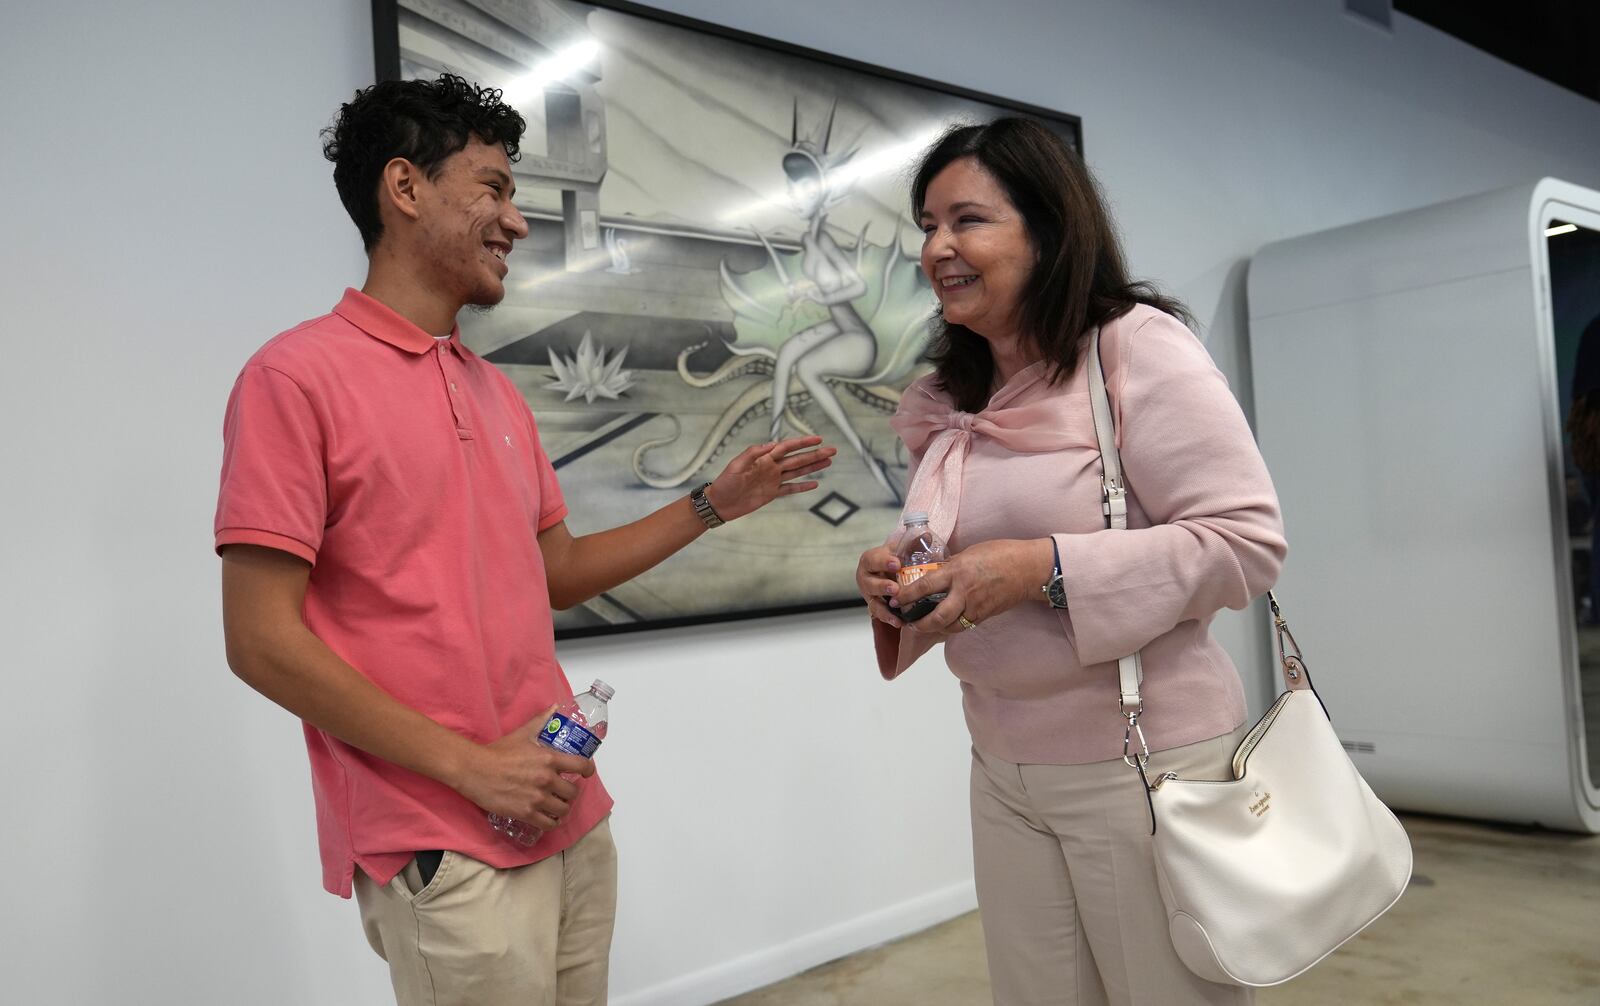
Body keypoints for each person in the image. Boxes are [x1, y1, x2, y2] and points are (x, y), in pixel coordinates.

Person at [215, 74, 834, 1006]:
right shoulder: (293, 379)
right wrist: (475, 767)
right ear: (406, 187)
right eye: (495, 188)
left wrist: (713, 501)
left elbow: (561, 574)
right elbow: (260, 640)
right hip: (443, 838)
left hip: (569, 812)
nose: (518, 221)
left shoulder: (495, 391)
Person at [854, 117, 1286, 1005]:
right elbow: (955, 550)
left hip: (1144, 764)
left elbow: (1245, 540)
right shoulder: (943, 397)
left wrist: (1041, 567)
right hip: (1002, 761)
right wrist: (903, 575)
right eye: (926, 226)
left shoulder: (1133, 348)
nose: (938, 247)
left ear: (1048, 231)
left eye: (966, 220)